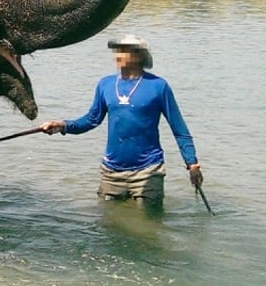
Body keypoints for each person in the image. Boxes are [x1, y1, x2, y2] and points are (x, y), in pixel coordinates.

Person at [38, 35, 203, 209]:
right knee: (110, 227)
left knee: (150, 228)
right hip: (111, 171)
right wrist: (62, 126)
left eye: (124, 50)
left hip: (148, 171)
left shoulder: (158, 86)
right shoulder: (105, 84)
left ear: (139, 56)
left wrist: (192, 164)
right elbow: (91, 120)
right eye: (117, 50)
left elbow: (179, 130)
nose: (118, 54)